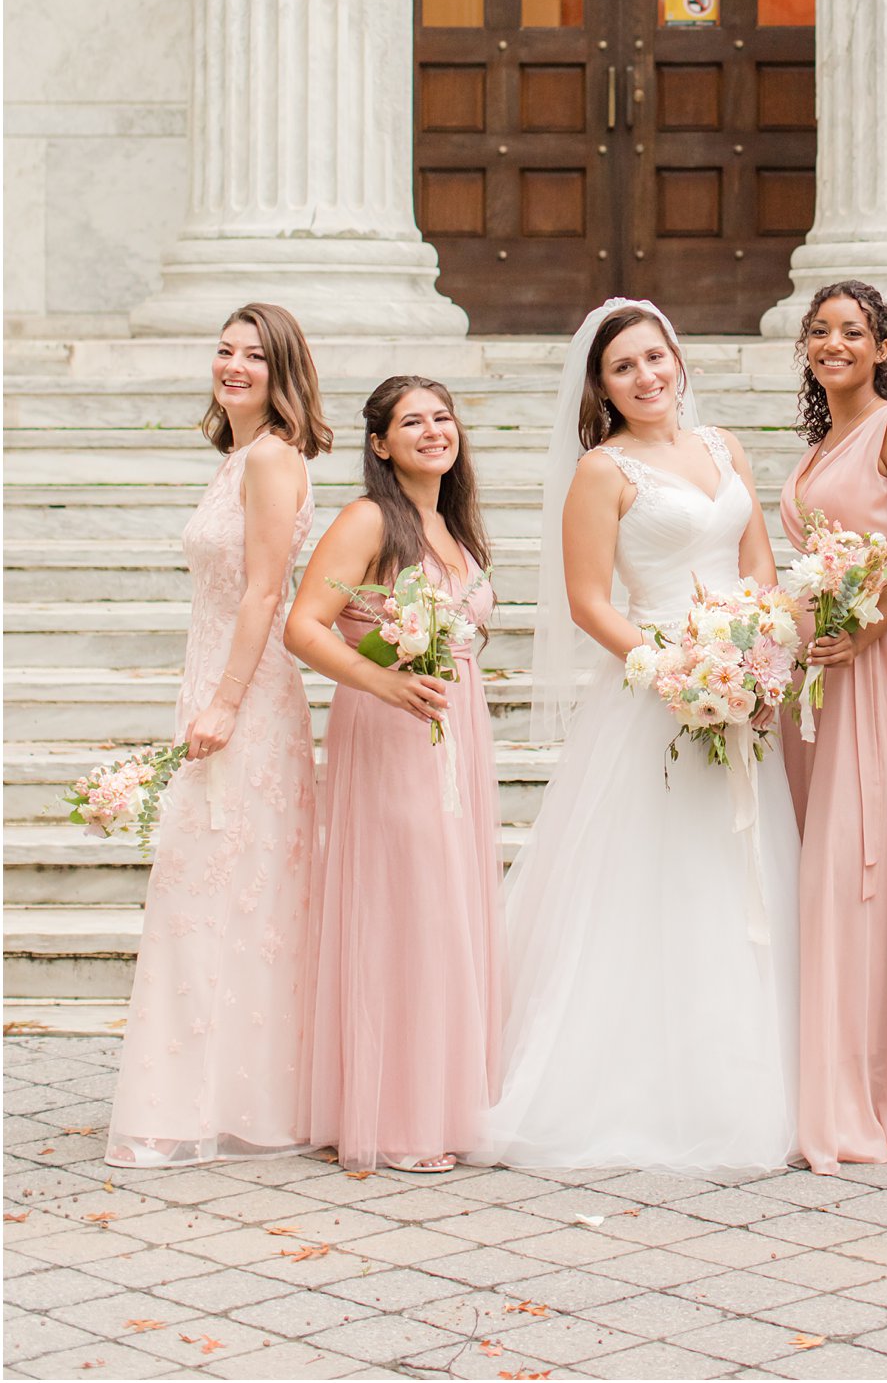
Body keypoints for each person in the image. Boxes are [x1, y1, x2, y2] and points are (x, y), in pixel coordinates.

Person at [477, 298, 799, 1173]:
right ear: (603, 386)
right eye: (624, 368)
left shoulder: (723, 445)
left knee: (742, 879)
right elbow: (588, 601)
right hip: (660, 689)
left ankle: (755, 1076)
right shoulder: (603, 471)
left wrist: (759, 651)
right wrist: (680, 673)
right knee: (656, 881)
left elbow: (758, 559)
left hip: (744, 687)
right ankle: (633, 1085)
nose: (646, 376)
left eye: (655, 357)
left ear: (677, 357)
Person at [107, 303, 329, 1167]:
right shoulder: (235, 458)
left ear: (283, 373)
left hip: (249, 695)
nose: (233, 365)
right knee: (210, 888)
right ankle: (210, 1089)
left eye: (254, 356)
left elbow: (266, 593)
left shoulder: (273, 459)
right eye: (225, 350)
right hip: (208, 682)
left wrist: (228, 702)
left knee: (228, 887)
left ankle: (229, 1100)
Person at [286, 377, 503, 1171]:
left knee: (447, 902)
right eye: (411, 421)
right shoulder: (370, 518)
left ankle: (444, 1100)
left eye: (442, 415)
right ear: (379, 444)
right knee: (406, 905)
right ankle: (398, 1115)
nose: (432, 429)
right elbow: (303, 626)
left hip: (455, 735)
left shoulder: (451, 527)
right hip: (389, 729)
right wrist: (381, 681)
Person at [778, 281, 887, 1172]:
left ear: (882, 345)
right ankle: (826, 1065)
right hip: (813, 669)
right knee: (820, 855)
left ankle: (881, 1083)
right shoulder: (821, 446)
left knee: (863, 857)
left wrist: (868, 627)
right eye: (821, 331)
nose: (834, 342)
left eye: (853, 331)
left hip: (874, 664)